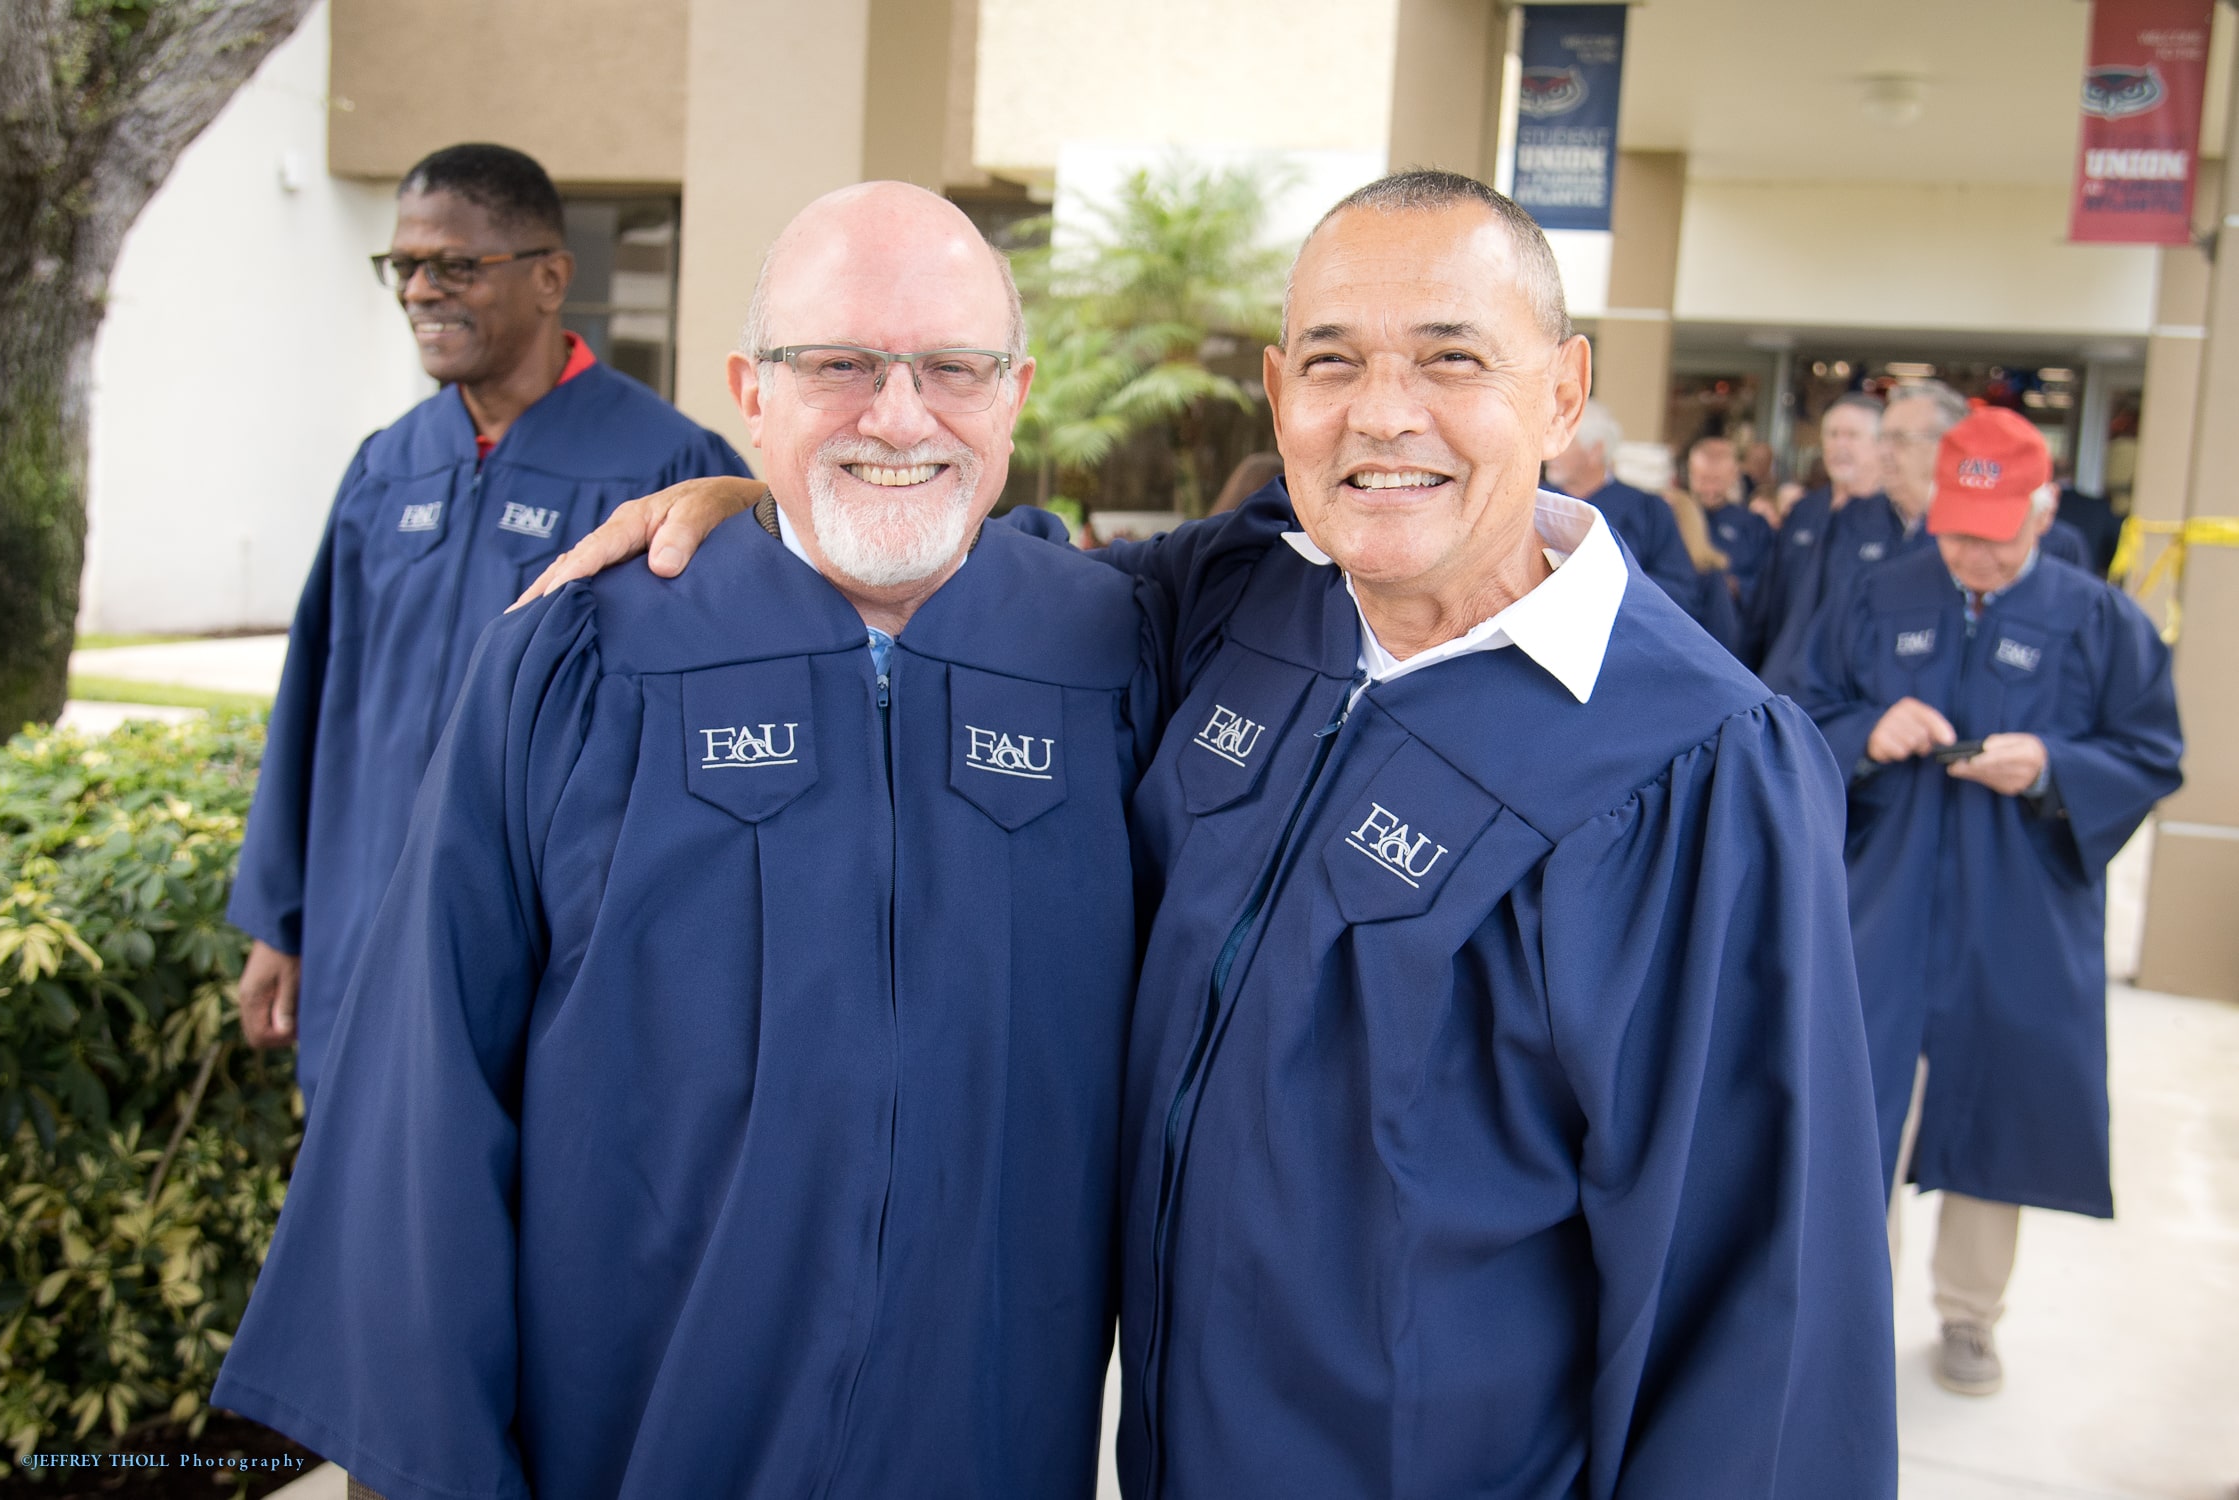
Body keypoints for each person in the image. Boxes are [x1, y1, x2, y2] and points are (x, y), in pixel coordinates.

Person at [546, 170, 1900, 1497]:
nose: (1382, 413)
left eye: (1449, 359)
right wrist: (761, 520)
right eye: (1329, 362)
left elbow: (1759, 1307)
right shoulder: (1239, 609)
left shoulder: (1683, 764)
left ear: (1560, 389)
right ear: (1276, 394)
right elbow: (965, 577)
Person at [212, 182, 1160, 1500]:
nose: (898, 415)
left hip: (988, 1431)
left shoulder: (1114, 652)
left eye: (953, 368)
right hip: (640, 1435)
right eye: (835, 366)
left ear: (1014, 391)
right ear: (750, 390)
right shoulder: (581, 651)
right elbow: (425, 1086)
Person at [223, 143, 748, 1104]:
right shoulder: (389, 466)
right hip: (359, 919)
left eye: (455, 265)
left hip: (545, 941)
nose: (422, 289)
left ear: (550, 278)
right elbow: (312, 696)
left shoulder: (663, 462)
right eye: (405, 266)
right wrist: (281, 919)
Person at [1793, 407, 2182, 1399]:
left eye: (1996, 535)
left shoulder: (2099, 620)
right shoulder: (1875, 594)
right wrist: (1866, 731)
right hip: (1881, 898)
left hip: (2019, 905)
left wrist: (2053, 765)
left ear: (2044, 513)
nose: (1972, 553)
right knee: (1855, 1104)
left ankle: (1970, 1316)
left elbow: (2150, 754)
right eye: (1958, 530)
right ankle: (1848, 1311)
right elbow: (1788, 713)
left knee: (1993, 1105)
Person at [1542, 399, 1716, 631]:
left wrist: (1608, 582)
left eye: (1564, 442)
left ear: (1595, 450)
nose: (1550, 453)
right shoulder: (1534, 501)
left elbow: (1681, 593)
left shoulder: (1648, 511)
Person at [1746, 391, 1882, 668]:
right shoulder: (1804, 511)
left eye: (1852, 435)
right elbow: (1767, 604)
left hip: (1848, 689)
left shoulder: (1893, 521)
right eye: (1832, 434)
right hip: (1784, 680)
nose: (1839, 445)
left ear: (1881, 444)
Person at [1683, 433, 1773, 604]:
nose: (1709, 489)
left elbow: (1766, 583)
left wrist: (1735, 586)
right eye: (1702, 479)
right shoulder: (1673, 517)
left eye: (1717, 480)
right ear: (1690, 473)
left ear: (1733, 476)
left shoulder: (1754, 527)